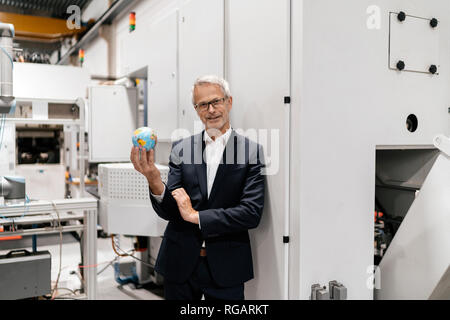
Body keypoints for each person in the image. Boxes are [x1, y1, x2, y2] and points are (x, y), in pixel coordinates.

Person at [130, 75, 265, 300]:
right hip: (180, 263)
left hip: (226, 266)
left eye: (216, 101)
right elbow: (172, 211)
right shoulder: (182, 148)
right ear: (196, 109)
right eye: (203, 104)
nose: (211, 110)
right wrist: (154, 179)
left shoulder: (250, 151)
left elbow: (251, 213)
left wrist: (196, 216)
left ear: (229, 102)